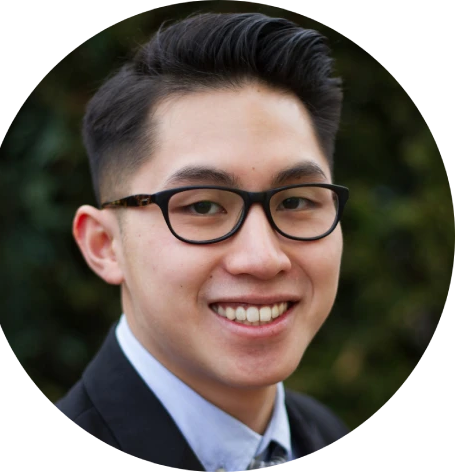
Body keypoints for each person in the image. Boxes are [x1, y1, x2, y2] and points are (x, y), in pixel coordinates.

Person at [54, 11, 351, 470]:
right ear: (104, 245)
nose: (263, 258)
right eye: (203, 207)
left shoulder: (326, 431)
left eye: (295, 202)